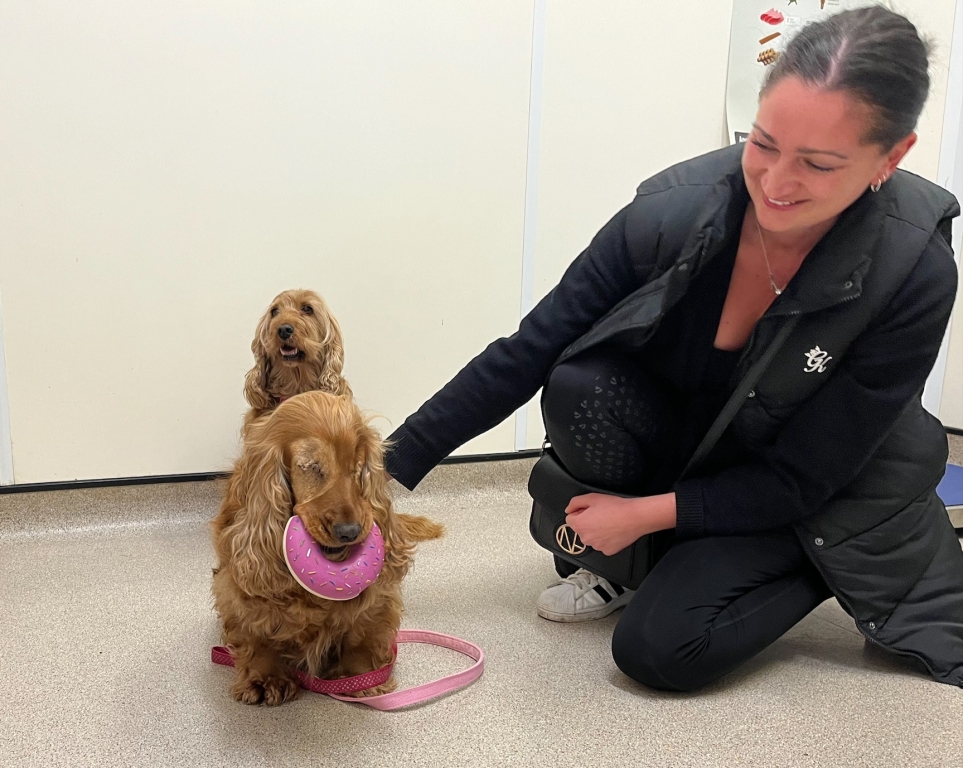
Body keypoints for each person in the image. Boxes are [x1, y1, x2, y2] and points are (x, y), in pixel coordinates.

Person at [384, 6, 963, 691]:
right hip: (704, 442)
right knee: (578, 382)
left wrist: (640, 515)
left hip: (818, 486)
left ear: (889, 158)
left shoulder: (913, 272)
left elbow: (804, 476)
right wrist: (378, 475)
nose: (775, 183)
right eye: (764, 143)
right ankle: (652, 552)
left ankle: (810, 564)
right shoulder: (672, 212)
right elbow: (529, 349)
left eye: (817, 164)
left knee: (660, 651)